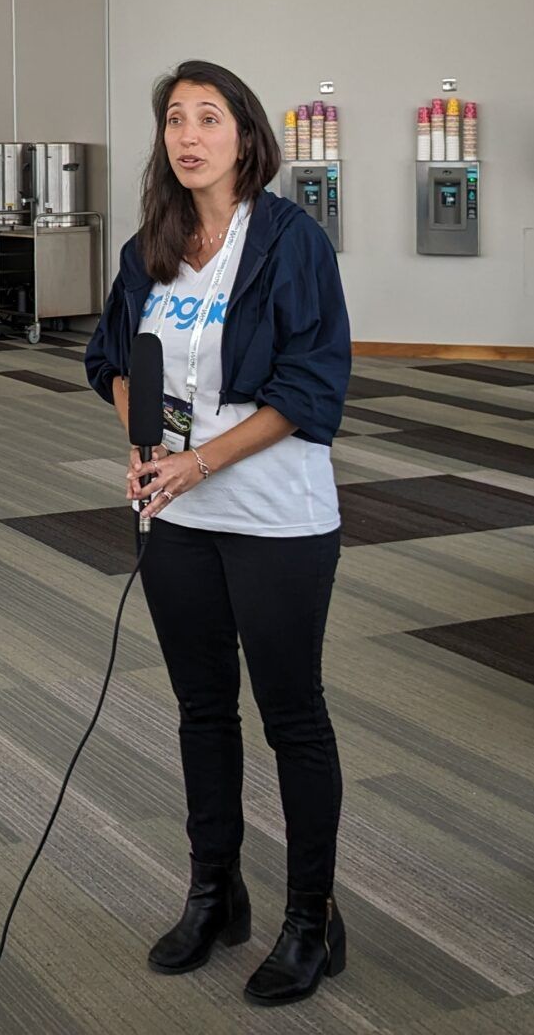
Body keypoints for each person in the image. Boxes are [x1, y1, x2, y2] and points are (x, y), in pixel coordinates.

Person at [84, 59, 353, 1007]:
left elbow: (311, 388)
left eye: (208, 117)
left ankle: (311, 919)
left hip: (276, 515)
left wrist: (200, 461)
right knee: (203, 709)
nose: (188, 135)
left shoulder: (289, 243)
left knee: (292, 719)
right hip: (176, 519)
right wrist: (143, 443)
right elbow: (111, 359)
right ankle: (215, 892)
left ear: (245, 135)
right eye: (173, 120)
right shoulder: (149, 246)